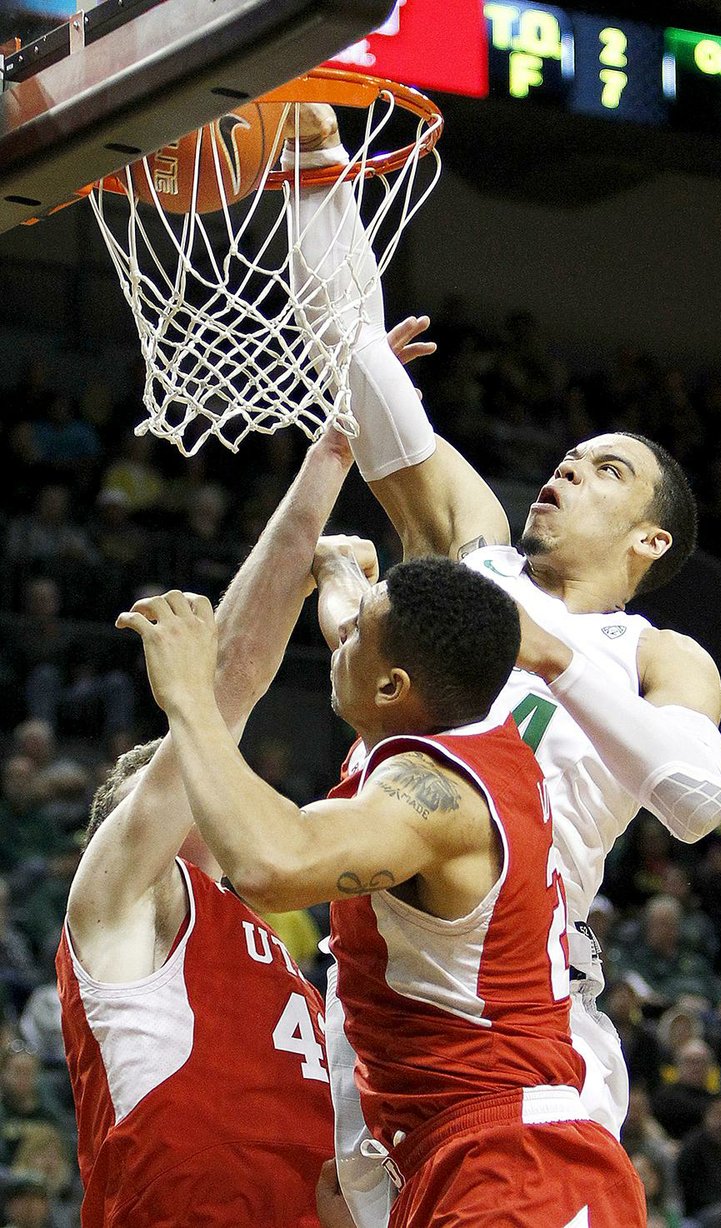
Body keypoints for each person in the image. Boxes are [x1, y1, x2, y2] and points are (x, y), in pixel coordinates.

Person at [285, 107, 721, 1154]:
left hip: (509, 993)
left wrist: (546, 651)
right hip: (372, 975)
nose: (571, 468)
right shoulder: (468, 545)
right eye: (572, 455)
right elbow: (357, 356)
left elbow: (693, 799)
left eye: (606, 470)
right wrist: (309, 163)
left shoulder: (657, 655)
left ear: (649, 541)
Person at [117, 555, 647, 1228]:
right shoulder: (449, 722)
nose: (342, 638)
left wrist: (193, 699)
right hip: (461, 1156)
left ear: (393, 686)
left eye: (360, 634)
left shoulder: (433, 797)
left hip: (517, 1166)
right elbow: (352, 621)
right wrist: (337, 565)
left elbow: (270, 867)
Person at [55, 429, 358, 1227]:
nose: (219, 774)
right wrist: (331, 456)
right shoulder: (123, 900)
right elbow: (227, 685)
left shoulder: (271, 945)